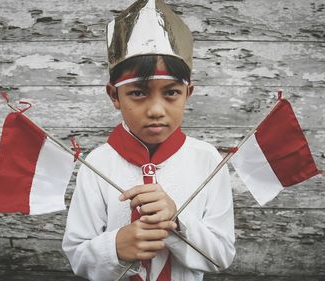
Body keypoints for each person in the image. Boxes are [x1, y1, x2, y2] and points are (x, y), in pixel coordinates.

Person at [62, 1, 235, 280]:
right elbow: (77, 256)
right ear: (114, 96)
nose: (156, 110)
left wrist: (176, 223)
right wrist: (115, 248)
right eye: (139, 93)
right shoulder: (97, 164)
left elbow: (222, 256)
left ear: (188, 93)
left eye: (171, 93)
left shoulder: (208, 160)